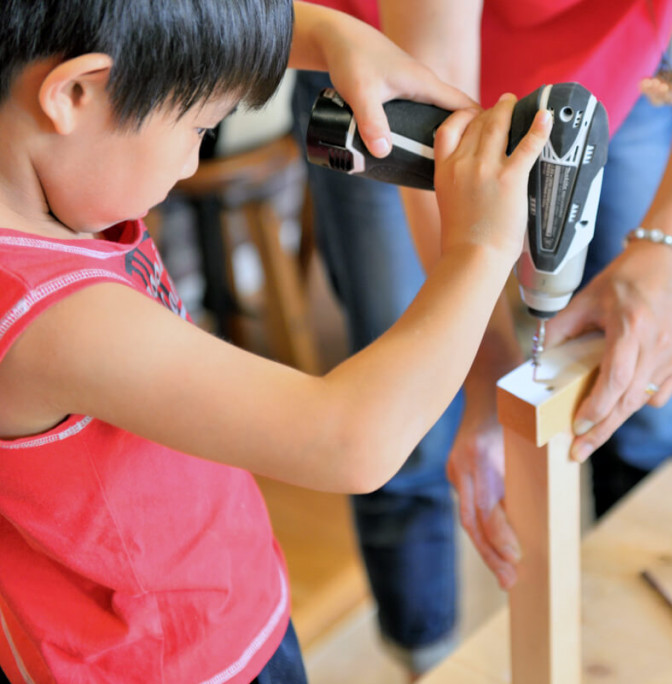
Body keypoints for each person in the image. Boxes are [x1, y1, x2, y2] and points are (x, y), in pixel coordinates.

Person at [0, 1, 553, 681]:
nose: (187, 165)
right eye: (200, 126)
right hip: (179, 664)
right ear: (75, 92)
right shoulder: (49, 317)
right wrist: (480, 246)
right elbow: (351, 440)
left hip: (214, 611)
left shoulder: (43, 190)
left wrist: (331, 33)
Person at [292, 0, 672, 677]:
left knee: (641, 379)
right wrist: (481, 362)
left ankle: (645, 650)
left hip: (612, 53)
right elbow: (435, 60)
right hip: (397, 73)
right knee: (406, 420)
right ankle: (425, 658)